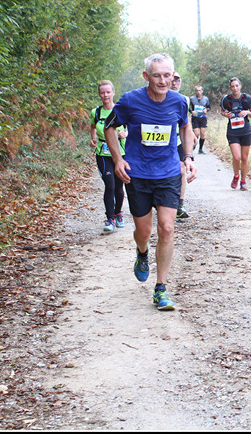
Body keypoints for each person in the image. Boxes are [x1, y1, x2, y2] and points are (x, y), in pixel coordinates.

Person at [103, 53, 196, 311]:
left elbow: (185, 127)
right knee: (143, 232)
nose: (163, 81)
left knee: (167, 228)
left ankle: (161, 289)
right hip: (138, 175)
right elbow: (109, 127)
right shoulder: (130, 101)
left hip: (168, 174)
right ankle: (142, 252)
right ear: (146, 76)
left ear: (173, 76)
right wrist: (118, 160)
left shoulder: (179, 102)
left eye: (167, 75)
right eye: (157, 76)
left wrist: (188, 157)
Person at [89, 80, 128, 235]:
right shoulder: (96, 112)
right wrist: (93, 138)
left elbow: (132, 128)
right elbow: (93, 126)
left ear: (113, 93)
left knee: (119, 186)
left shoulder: (121, 110)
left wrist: (125, 134)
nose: (105, 95)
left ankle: (118, 213)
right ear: (99, 94)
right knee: (110, 185)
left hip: (120, 153)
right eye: (102, 92)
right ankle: (110, 218)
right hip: (103, 154)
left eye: (108, 92)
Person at [220, 77, 251, 190]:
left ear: (240, 86)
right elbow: (222, 111)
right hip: (233, 131)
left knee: (244, 158)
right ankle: (236, 176)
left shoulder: (246, 98)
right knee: (237, 157)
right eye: (232, 86)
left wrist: (247, 112)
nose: (235, 88)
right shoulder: (227, 99)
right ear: (230, 88)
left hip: (245, 131)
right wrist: (226, 115)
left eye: (236, 85)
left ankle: (243, 181)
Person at [170, 73, 191, 219]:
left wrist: (191, 135)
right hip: (165, 142)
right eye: (173, 80)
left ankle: (180, 204)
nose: (174, 83)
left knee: (181, 171)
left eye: (177, 80)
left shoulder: (185, 99)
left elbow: (186, 121)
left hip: (179, 140)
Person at [189, 84, 211, 154]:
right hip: (195, 118)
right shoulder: (192, 99)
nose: (198, 92)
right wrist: (191, 111)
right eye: (197, 91)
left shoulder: (206, 99)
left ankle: (200, 149)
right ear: (195, 91)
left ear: (202, 91)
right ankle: (193, 145)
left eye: (200, 90)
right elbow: (187, 107)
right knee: (196, 133)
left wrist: (206, 110)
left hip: (203, 117)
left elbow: (209, 107)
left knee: (202, 133)